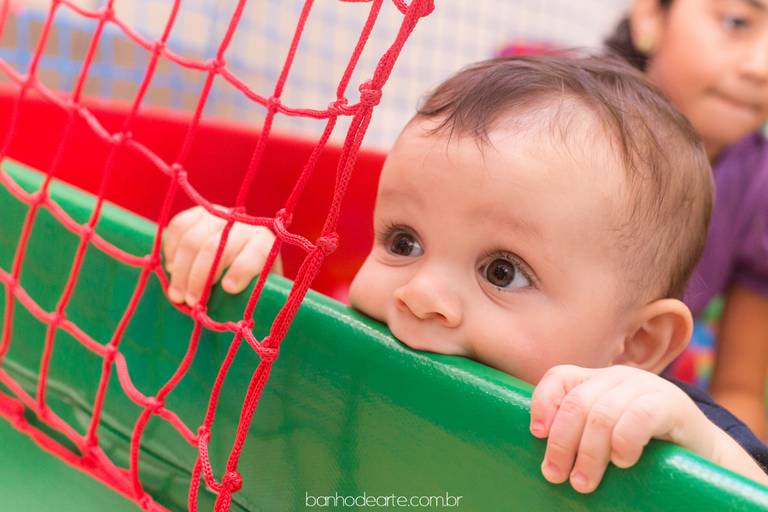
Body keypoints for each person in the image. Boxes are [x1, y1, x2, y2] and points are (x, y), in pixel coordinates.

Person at [162, 56, 768, 493]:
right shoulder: (374, 338)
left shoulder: (650, 423)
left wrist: (699, 445)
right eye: (403, 241)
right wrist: (241, 278)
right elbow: (262, 377)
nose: (420, 293)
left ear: (636, 345)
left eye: (502, 272)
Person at [606, 0, 768, 438]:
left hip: (633, 425)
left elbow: (740, 388)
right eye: (737, 22)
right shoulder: (549, 116)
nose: (762, 66)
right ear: (650, 16)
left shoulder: (759, 186)